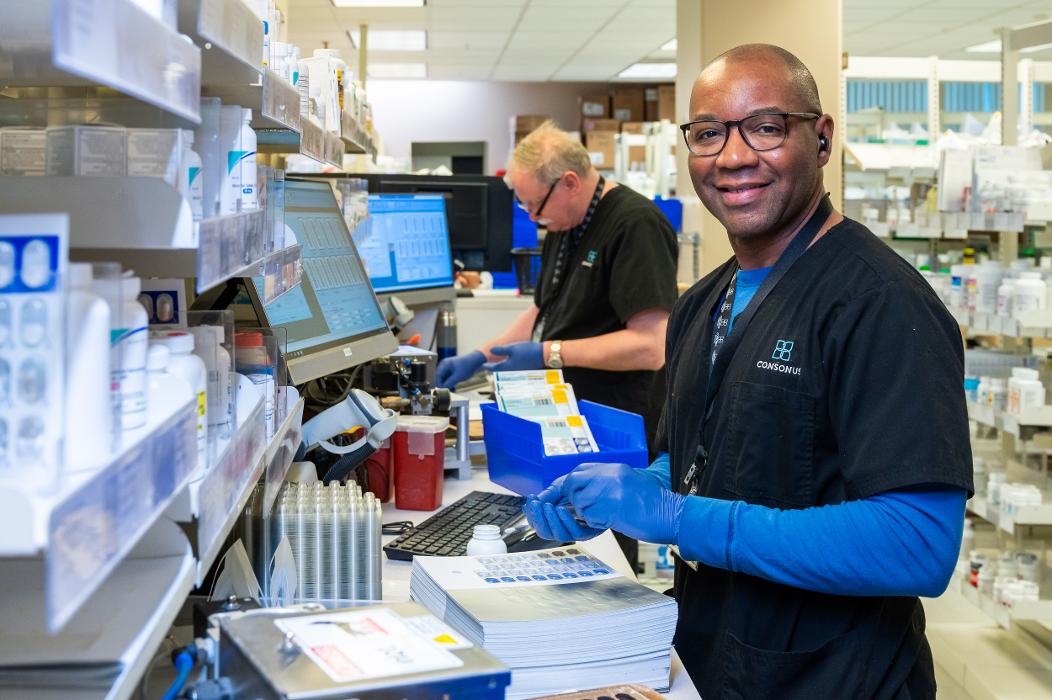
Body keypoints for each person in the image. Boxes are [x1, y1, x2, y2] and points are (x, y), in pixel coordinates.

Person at [523, 44, 972, 699]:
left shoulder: (878, 303)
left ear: (820, 140)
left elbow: (918, 543)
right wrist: (618, 499)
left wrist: (679, 516)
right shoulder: (705, 302)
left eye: (765, 127)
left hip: (835, 677)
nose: (733, 157)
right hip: (714, 655)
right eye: (708, 133)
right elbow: (694, 463)